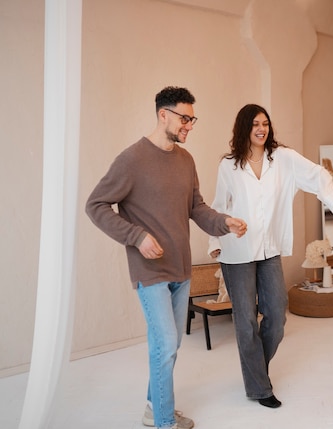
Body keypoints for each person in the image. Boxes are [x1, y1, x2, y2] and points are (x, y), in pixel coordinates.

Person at [85, 86, 247, 429]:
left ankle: (151, 407)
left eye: (192, 119)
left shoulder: (185, 161)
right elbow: (95, 205)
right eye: (184, 118)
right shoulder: (131, 160)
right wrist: (137, 236)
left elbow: (196, 208)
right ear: (164, 115)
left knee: (165, 346)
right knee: (168, 341)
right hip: (149, 269)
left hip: (180, 267)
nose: (189, 125)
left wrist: (224, 223)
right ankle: (163, 422)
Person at [207, 104, 333, 408]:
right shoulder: (228, 165)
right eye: (255, 124)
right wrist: (214, 240)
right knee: (245, 322)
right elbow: (219, 204)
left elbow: (316, 174)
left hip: (268, 248)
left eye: (266, 124)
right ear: (244, 127)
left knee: (277, 316)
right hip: (237, 250)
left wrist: (332, 198)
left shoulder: (282, 159)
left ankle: (257, 369)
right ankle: (259, 387)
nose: (262, 129)